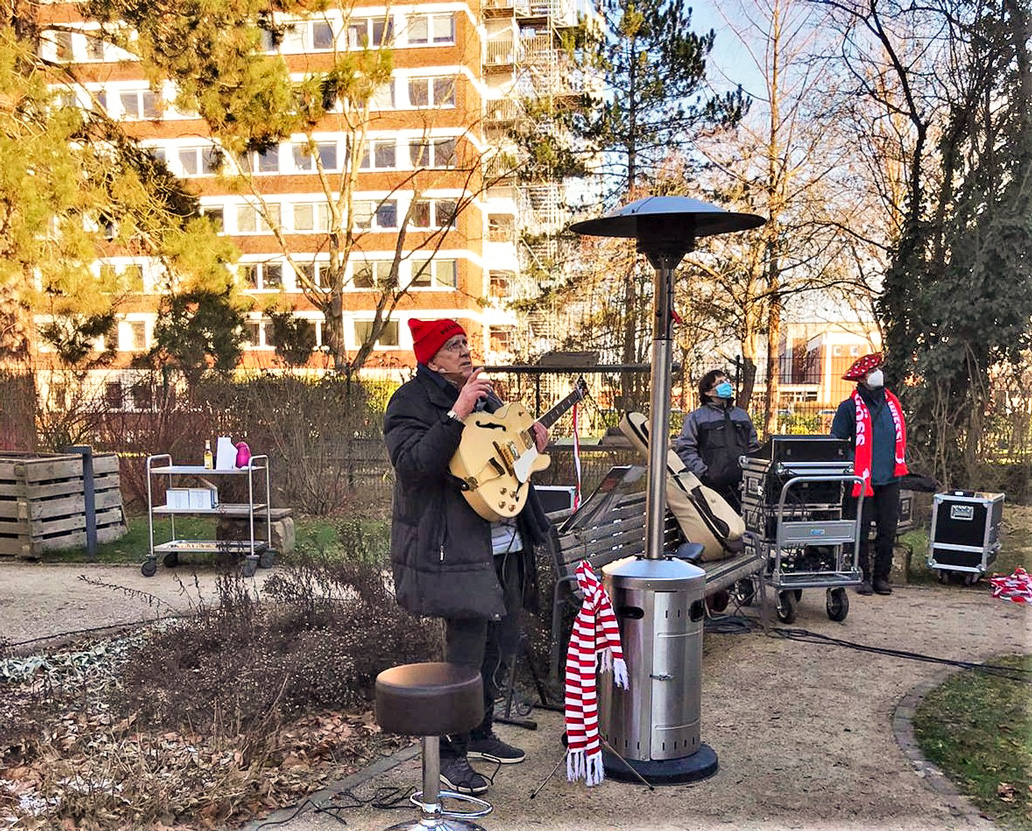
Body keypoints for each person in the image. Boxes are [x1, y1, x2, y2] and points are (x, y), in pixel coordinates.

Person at [383, 318, 551, 797]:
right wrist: (456, 412)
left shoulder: (486, 398)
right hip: (455, 547)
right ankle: (450, 756)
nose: (465, 351)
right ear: (431, 358)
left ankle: (478, 730)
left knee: (502, 640)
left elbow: (506, 466)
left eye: (465, 343)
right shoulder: (410, 403)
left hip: (505, 542)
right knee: (466, 652)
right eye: (453, 346)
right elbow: (415, 467)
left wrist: (535, 448)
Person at [830, 352, 909, 596]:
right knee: (860, 529)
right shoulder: (848, 408)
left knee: (888, 528)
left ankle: (881, 576)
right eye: (872, 370)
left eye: (878, 369)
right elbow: (837, 443)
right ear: (862, 378)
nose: (878, 373)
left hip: (890, 477)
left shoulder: (892, 404)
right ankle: (860, 574)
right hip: (861, 480)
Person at [673, 369, 760, 512]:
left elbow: (753, 447)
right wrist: (704, 474)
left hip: (742, 487)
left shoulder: (742, 416)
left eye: (726, 381)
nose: (726, 384)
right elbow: (685, 448)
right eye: (719, 382)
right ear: (707, 392)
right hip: (711, 488)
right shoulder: (696, 418)